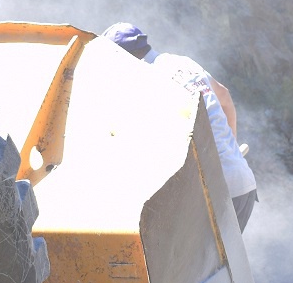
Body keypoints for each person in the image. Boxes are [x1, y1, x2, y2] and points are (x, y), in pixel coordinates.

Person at [102, 23, 259, 228]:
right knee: (227, 260)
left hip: (214, 192)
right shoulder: (182, 63)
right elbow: (224, 96)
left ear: (124, 58)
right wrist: (229, 150)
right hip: (242, 182)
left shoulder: (146, 79)